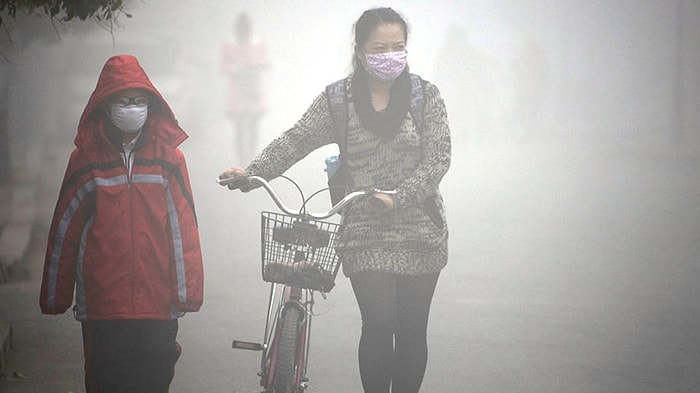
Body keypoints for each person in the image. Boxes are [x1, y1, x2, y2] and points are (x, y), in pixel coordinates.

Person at [219, 7, 450, 393]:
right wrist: (252, 174)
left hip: (421, 230)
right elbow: (296, 139)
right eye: (380, 47)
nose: (390, 55)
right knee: (378, 323)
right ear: (360, 52)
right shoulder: (338, 101)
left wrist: (399, 198)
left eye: (399, 47)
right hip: (363, 229)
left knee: (411, 331)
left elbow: (438, 158)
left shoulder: (426, 97)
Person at [39, 54, 204, 393]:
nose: (131, 108)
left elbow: (182, 227)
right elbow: (65, 230)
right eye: (123, 100)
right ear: (106, 104)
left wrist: (187, 293)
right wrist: (55, 295)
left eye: (138, 100)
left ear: (151, 103)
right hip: (102, 305)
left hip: (158, 303)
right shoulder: (85, 160)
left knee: (155, 379)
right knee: (106, 381)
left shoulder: (168, 158)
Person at [221, 12, 269, 162]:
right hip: (237, 92)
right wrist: (237, 70)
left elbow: (266, 63)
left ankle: (252, 156)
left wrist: (255, 66)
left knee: (254, 125)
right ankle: (242, 158)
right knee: (239, 128)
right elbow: (223, 67)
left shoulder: (257, 43)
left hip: (253, 90)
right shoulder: (230, 45)